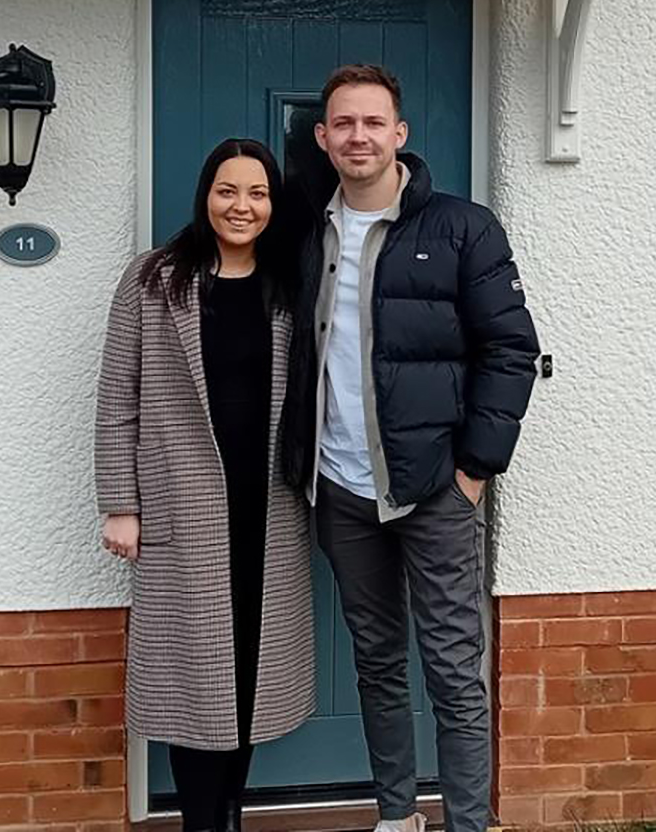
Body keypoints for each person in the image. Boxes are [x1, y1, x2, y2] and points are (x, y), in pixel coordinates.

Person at [291, 64, 539, 832]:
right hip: (341, 489)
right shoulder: (305, 230)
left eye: (374, 122)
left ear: (399, 134)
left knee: (455, 673)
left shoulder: (463, 228)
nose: (358, 136)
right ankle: (397, 816)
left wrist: (474, 471)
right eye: (344, 123)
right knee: (376, 663)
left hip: (435, 491)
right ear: (324, 137)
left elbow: (511, 350)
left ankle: (468, 824)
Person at [94, 139, 315, 832]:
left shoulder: (292, 281)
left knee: (250, 670)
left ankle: (231, 813)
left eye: (257, 193)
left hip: (271, 506)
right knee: (197, 679)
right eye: (228, 191)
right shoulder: (154, 279)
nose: (241, 206)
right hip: (181, 509)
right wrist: (120, 505)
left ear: (273, 205)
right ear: (205, 195)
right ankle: (200, 822)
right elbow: (117, 396)